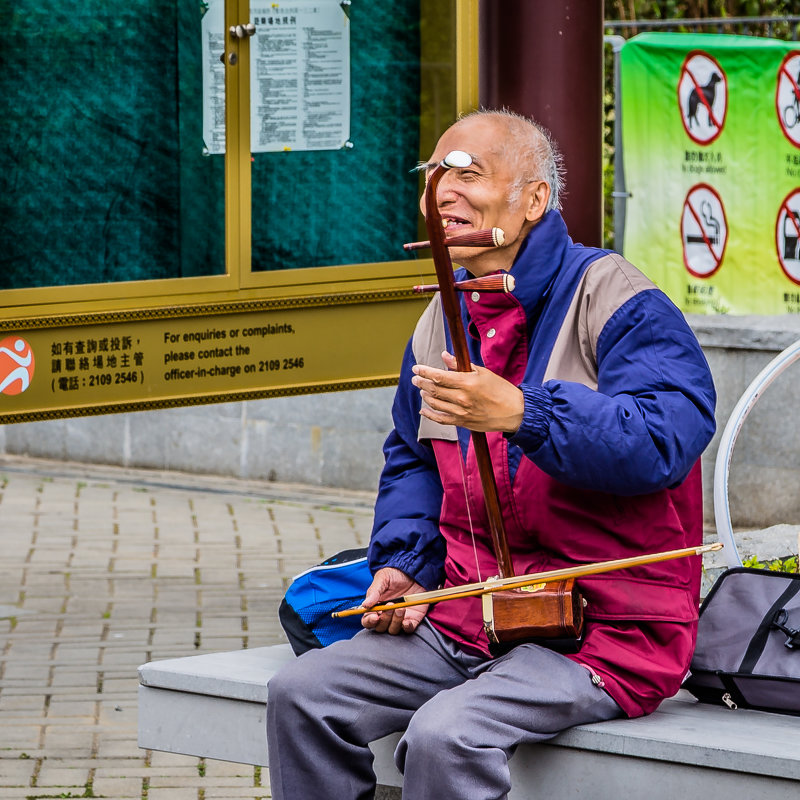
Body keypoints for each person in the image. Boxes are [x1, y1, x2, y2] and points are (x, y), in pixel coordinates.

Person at [266, 109, 716, 800]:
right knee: (302, 693)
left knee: (447, 735)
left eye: (468, 174)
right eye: (434, 178)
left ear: (534, 199)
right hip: (468, 615)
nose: (442, 192)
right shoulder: (440, 319)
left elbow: (666, 438)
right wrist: (406, 563)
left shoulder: (617, 297)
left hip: (606, 627)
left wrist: (525, 412)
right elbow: (413, 457)